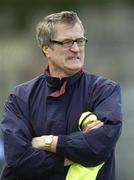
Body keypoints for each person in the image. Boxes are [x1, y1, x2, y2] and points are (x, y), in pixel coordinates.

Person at [0, 11, 122, 180]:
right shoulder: (20, 97)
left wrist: (48, 142)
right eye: (66, 42)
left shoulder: (104, 90)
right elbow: (18, 159)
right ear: (47, 49)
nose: (76, 48)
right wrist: (78, 152)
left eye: (80, 41)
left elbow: (101, 146)